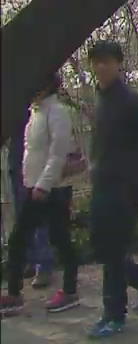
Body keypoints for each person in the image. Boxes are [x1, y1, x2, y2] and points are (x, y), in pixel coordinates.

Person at [84, 40, 138, 339]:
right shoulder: (101, 98)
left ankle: (114, 315)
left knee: (113, 250)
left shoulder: (130, 100)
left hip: (123, 188)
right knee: (101, 246)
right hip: (102, 183)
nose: (101, 67)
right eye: (96, 61)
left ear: (119, 64)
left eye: (107, 61)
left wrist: (133, 170)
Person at [1, 71, 81, 316]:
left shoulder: (57, 112)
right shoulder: (35, 113)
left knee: (60, 239)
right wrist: (30, 183)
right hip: (35, 187)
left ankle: (69, 290)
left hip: (52, 190)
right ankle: (14, 294)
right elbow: (31, 152)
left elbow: (58, 153)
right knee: (18, 241)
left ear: (48, 86)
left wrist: (43, 184)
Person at [4, 104, 56, 293]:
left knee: (33, 205)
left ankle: (43, 263)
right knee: (21, 207)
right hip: (16, 143)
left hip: (29, 138)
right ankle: (32, 258)